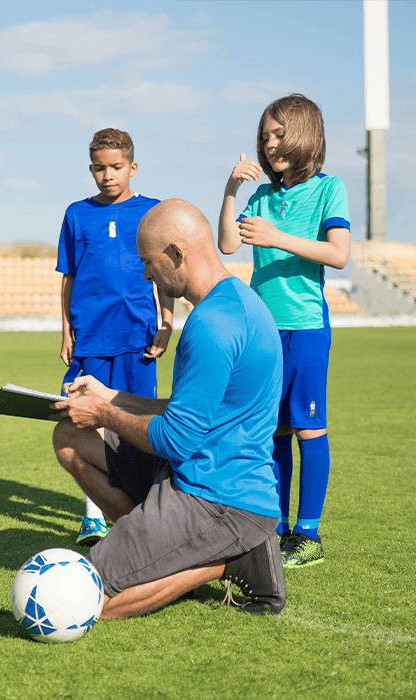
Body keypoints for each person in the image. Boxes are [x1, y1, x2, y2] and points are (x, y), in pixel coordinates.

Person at [52, 199, 286, 619]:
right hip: (205, 473)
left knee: (86, 602)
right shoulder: (233, 301)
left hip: (219, 497)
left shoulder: (213, 325)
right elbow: (189, 411)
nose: (145, 274)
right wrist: (108, 395)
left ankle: (225, 560)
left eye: (148, 262)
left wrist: (103, 415)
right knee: (70, 436)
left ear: (177, 254)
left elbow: (175, 439)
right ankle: (161, 549)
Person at [217, 93, 350, 567]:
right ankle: (272, 527)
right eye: (265, 136)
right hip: (263, 330)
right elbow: (228, 245)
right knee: (272, 431)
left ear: (304, 134)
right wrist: (231, 189)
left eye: (279, 134)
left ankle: (308, 534)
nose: (270, 144)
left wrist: (276, 237)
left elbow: (338, 254)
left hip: (307, 327)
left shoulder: (330, 188)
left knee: (309, 428)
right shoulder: (263, 195)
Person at [56, 127, 174, 547]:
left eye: (117, 167)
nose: (108, 175)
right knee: (84, 419)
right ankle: (95, 517)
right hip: (90, 336)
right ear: (91, 169)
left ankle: (147, 507)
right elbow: (68, 276)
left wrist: (165, 321)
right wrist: (67, 329)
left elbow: (164, 271)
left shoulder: (152, 211)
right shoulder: (76, 214)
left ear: (133, 167)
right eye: (100, 168)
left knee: (137, 424)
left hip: (137, 336)